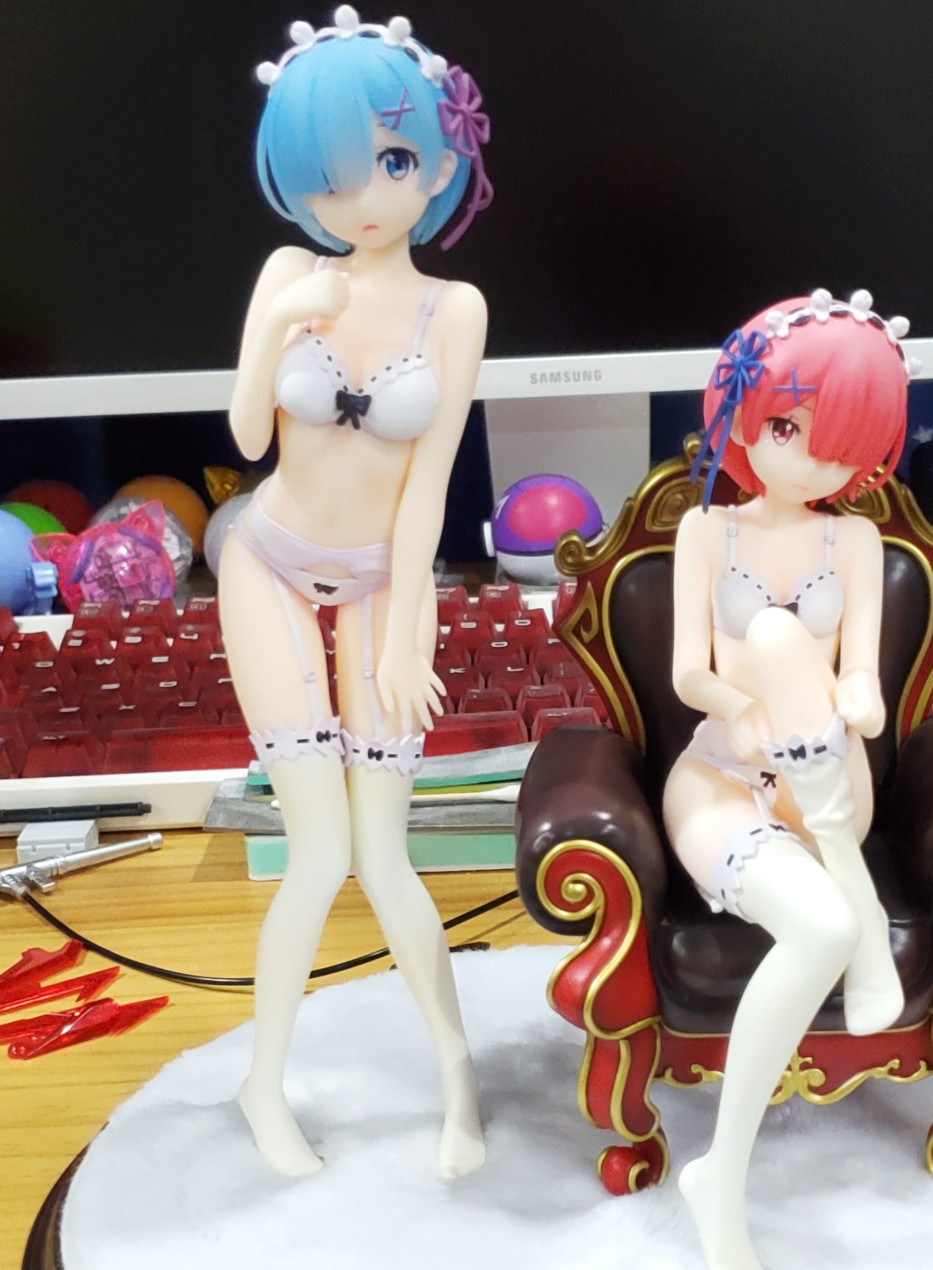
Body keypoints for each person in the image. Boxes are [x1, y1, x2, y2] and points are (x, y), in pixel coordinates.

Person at [220, 8, 493, 1181]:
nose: (363, 198)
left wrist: (409, 632)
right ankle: (262, 1081)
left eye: (389, 161)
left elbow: (428, 488)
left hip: (385, 576)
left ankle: (458, 1081)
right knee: (318, 848)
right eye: (328, 176)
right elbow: (246, 436)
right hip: (269, 560)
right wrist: (279, 325)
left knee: (388, 854)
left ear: (437, 160)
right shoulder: (291, 273)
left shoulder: (454, 309)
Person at [663, 289, 918, 1270]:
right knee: (823, 928)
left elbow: (864, 679)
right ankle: (720, 1178)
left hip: (824, 776)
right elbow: (689, 673)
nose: (811, 462)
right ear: (744, 415)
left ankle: (850, 885)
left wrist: (855, 700)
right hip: (725, 777)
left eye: (841, 447)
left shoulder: (853, 541)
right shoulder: (707, 531)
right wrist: (739, 710)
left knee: (781, 639)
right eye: (787, 429)